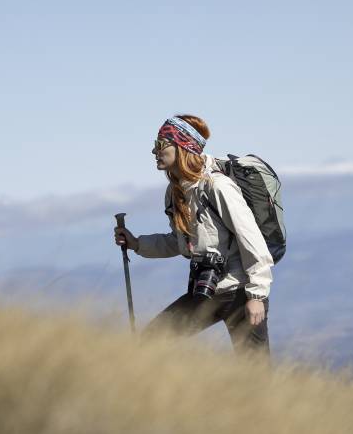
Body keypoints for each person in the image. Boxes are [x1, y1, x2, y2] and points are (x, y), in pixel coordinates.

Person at [113, 114, 274, 360]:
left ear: (182, 146)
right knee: (150, 340)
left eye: (160, 144)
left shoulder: (218, 186)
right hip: (206, 290)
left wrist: (257, 295)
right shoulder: (175, 192)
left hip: (241, 292)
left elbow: (251, 240)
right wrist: (137, 244)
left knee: (255, 370)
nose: (154, 151)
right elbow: (179, 242)